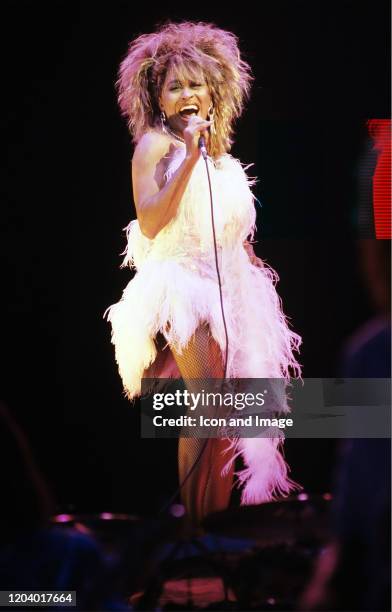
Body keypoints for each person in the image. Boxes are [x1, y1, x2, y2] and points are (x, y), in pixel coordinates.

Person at [105, 21, 301, 525]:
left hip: (226, 289)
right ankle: (193, 530)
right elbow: (150, 221)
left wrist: (250, 274)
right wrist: (189, 156)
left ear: (215, 93)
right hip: (179, 286)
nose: (187, 93)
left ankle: (217, 523)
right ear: (159, 98)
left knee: (230, 410)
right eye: (175, 86)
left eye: (196, 84)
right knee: (207, 399)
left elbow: (230, 231)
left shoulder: (223, 161)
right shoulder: (156, 146)